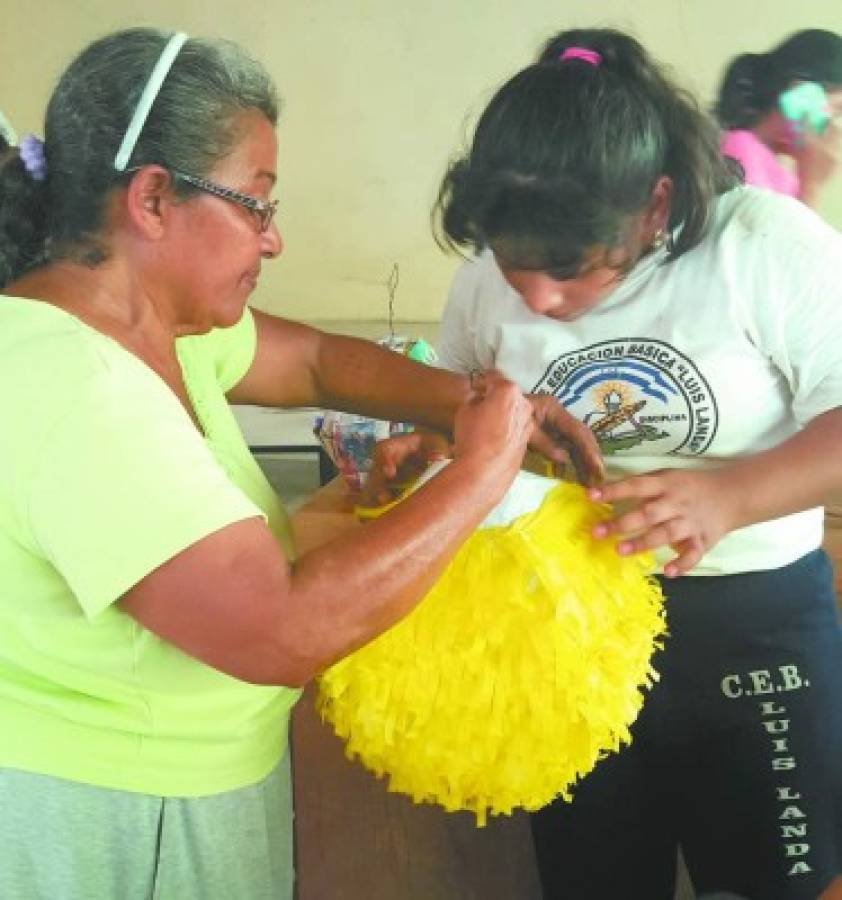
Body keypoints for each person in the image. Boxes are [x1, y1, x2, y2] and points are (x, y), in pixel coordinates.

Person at [0, 28, 601, 900]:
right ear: (155, 200)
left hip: (187, 780)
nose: (272, 241)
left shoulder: (153, 329)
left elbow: (316, 360)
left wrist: (469, 402)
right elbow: (279, 631)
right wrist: (482, 468)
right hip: (118, 808)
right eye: (256, 203)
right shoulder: (72, 384)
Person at [426, 26, 842, 900]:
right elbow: (459, 421)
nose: (539, 298)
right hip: (563, 627)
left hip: (750, 618)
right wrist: (426, 457)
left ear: (654, 206)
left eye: (573, 271)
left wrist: (728, 497)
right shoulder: (481, 285)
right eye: (514, 267)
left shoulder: (759, 245)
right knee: (595, 878)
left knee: (774, 880)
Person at [715, 28, 842, 207]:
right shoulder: (739, 150)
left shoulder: (785, 176)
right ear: (800, 93)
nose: (834, 129)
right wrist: (812, 185)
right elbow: (778, 235)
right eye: (836, 111)